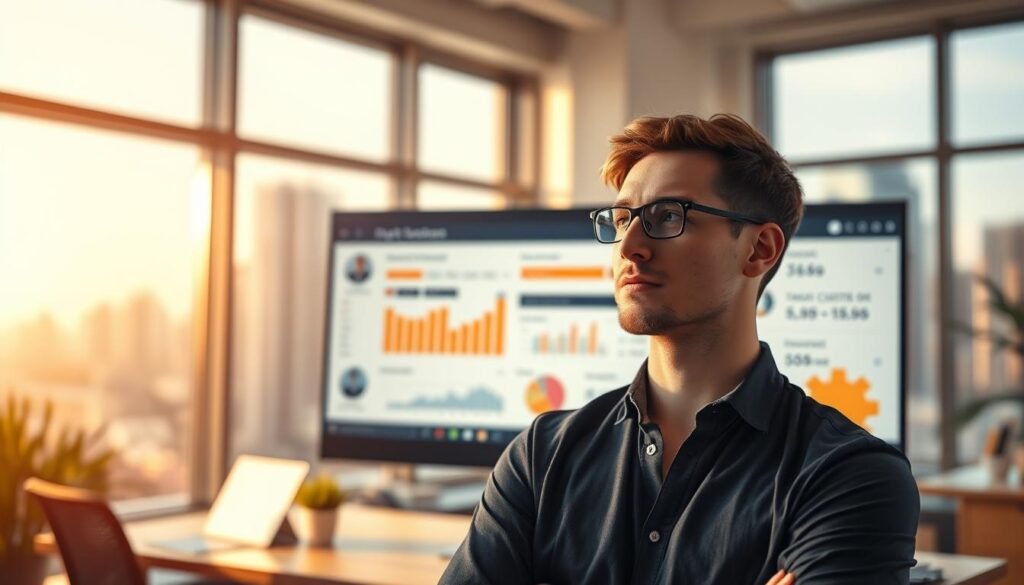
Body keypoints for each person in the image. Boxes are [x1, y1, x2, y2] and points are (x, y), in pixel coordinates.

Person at [440, 114, 919, 585]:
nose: (629, 246)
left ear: (759, 250)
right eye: (621, 218)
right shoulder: (541, 456)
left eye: (668, 216)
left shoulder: (850, 477)